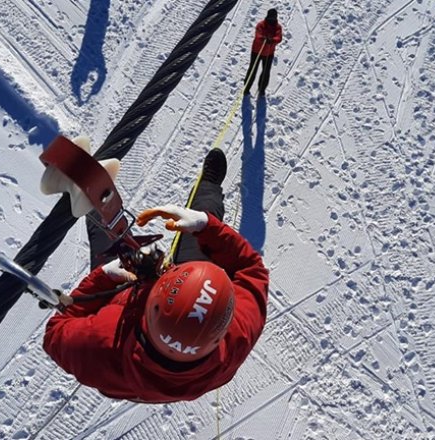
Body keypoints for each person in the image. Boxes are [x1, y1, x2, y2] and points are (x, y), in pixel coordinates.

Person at [43, 149, 270, 403]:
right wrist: (206, 225)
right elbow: (252, 271)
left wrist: (104, 276)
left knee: (109, 245)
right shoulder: (235, 336)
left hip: (124, 335)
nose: (167, 267)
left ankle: (86, 197)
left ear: (150, 303)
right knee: (201, 229)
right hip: (165, 361)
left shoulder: (103, 341)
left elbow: (55, 333)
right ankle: (209, 187)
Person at [243, 8, 283, 96]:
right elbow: (258, 35)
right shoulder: (261, 24)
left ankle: (262, 89)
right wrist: (264, 38)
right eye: (270, 18)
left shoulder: (278, 27)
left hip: (269, 53)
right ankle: (246, 88)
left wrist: (272, 40)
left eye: (273, 18)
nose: (272, 19)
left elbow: (279, 38)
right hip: (256, 51)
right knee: (252, 70)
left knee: (265, 72)